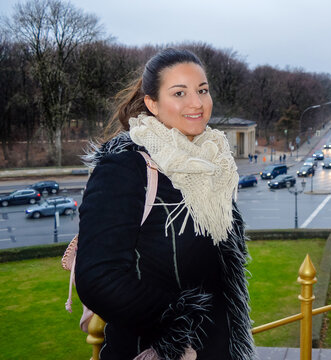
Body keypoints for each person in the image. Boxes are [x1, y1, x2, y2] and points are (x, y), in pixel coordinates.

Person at [75, 48, 255, 360]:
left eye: (202, 90)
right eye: (179, 93)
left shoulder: (213, 164)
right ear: (152, 103)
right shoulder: (126, 168)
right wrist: (173, 323)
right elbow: (99, 277)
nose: (196, 103)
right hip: (160, 349)